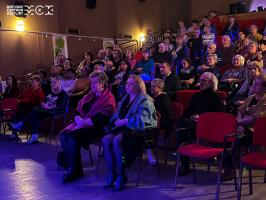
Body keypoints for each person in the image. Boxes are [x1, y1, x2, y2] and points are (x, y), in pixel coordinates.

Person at [102, 75, 157, 191]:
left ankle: (122, 175)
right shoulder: (125, 98)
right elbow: (117, 113)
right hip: (124, 128)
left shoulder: (145, 99)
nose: (127, 85)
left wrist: (125, 121)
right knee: (106, 139)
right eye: (127, 83)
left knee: (117, 141)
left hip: (139, 130)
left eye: (130, 83)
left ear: (138, 86)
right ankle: (113, 173)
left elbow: (143, 119)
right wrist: (115, 120)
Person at [59, 72, 116, 183]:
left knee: (72, 136)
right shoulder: (89, 96)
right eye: (92, 82)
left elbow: (102, 118)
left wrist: (84, 122)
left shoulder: (108, 97)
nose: (92, 85)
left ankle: (76, 170)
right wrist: (77, 119)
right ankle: (72, 164)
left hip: (97, 128)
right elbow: (78, 110)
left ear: (102, 84)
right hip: (83, 124)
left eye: (95, 83)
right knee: (63, 135)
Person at [177, 72, 226, 176]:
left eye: (204, 81)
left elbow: (220, 116)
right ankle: (184, 164)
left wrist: (202, 119)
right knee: (182, 126)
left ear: (211, 83)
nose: (201, 83)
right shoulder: (196, 96)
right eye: (201, 80)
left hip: (209, 128)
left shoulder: (215, 97)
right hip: (194, 126)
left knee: (183, 126)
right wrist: (191, 116)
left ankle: (185, 164)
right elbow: (187, 112)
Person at [11, 77, 68, 144]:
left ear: (60, 83)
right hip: (47, 110)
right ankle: (33, 137)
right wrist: (43, 104)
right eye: (52, 82)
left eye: (54, 82)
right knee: (35, 114)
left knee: (34, 111)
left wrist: (48, 107)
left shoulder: (63, 94)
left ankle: (21, 125)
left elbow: (59, 105)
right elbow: (43, 100)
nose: (52, 84)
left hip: (57, 111)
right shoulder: (50, 92)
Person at [236, 73, 266, 147]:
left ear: (265, 88)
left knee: (236, 132)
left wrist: (238, 122)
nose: (254, 85)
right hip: (244, 126)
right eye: (254, 83)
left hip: (255, 130)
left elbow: (253, 119)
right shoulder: (251, 97)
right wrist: (240, 124)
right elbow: (240, 111)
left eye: (258, 84)